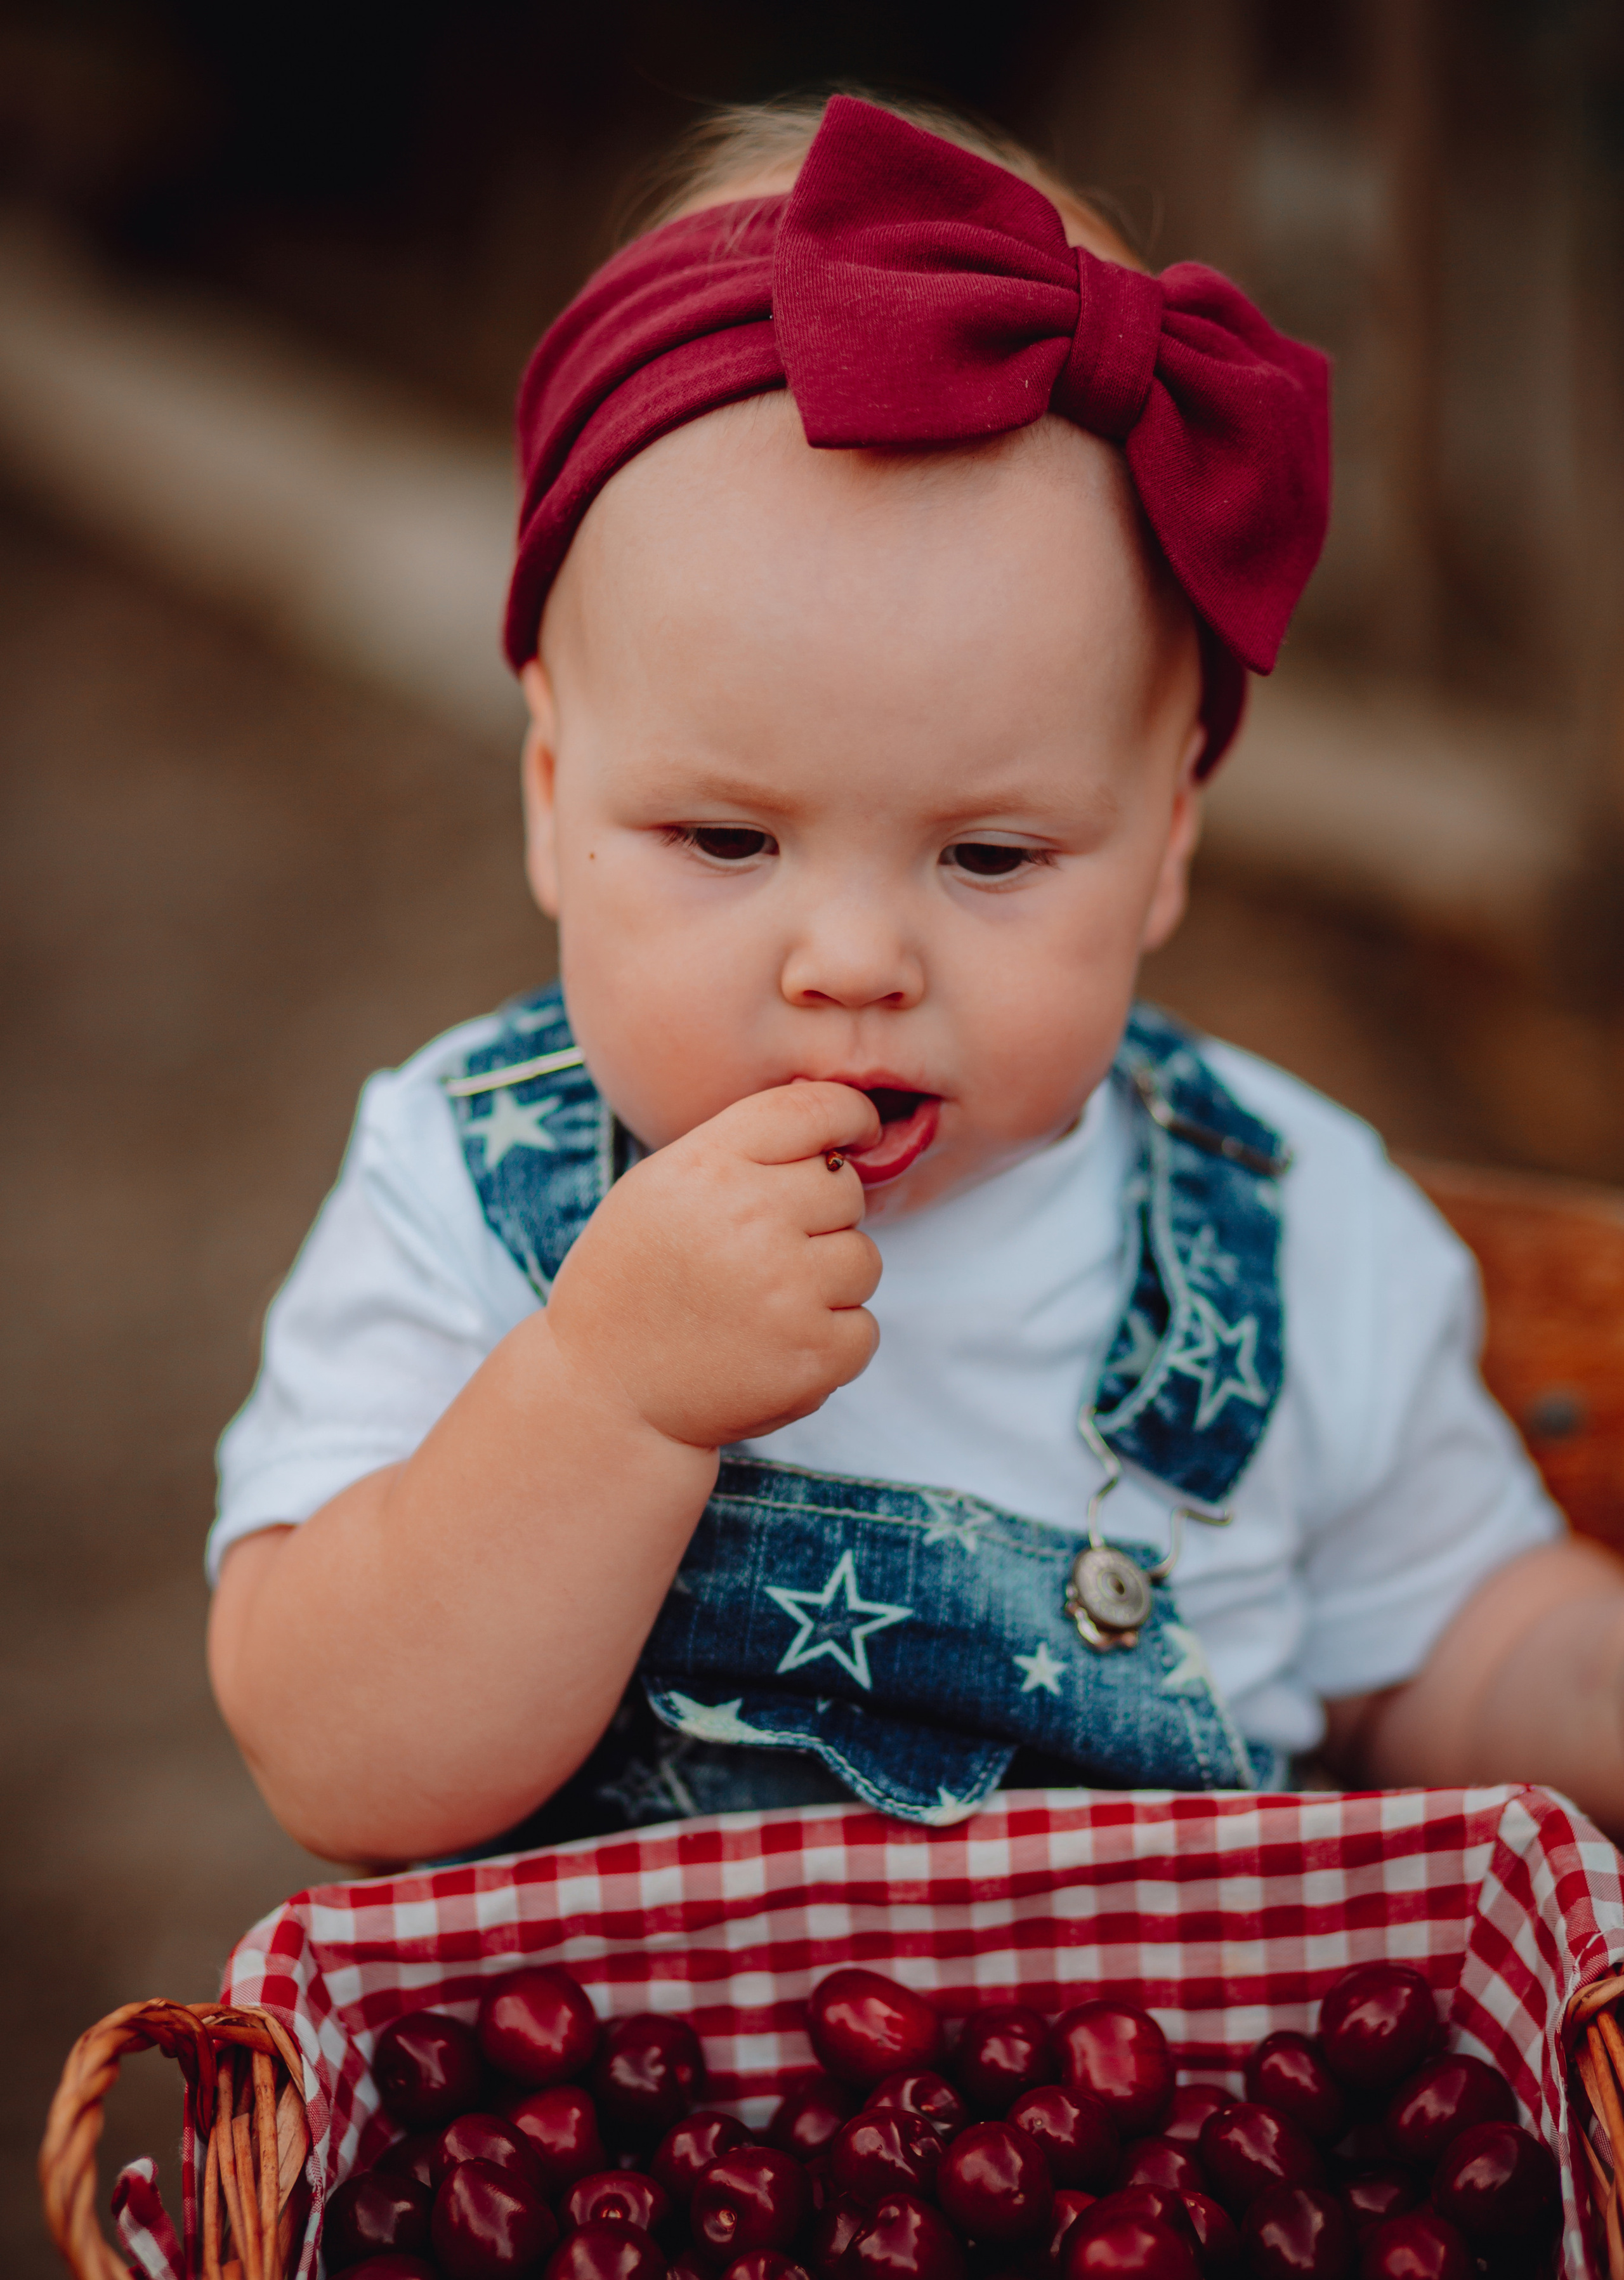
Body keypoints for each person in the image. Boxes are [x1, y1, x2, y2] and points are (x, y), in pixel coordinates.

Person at [206, 95, 1624, 1871]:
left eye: (992, 858)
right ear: (555, 796)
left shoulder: (1293, 1226)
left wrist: (1575, 1681)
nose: (857, 961)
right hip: (620, 2131)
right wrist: (603, 1395)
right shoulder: (467, 1198)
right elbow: (332, 1761)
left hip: (1153, 2128)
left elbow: (1460, 1653)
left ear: (1172, 832)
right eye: (728, 842)